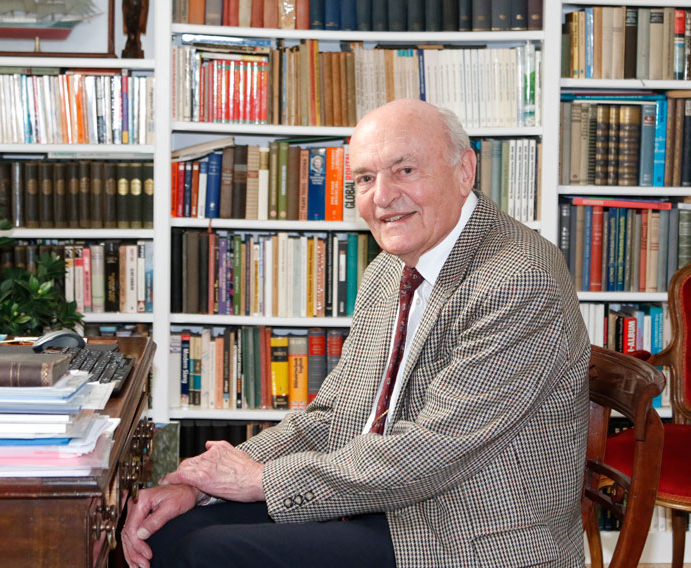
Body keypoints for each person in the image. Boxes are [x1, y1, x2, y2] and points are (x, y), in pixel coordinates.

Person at [122, 99, 591, 568]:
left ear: (464, 170)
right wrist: (201, 483)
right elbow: (332, 416)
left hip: (467, 533)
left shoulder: (520, 277)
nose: (382, 196)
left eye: (404, 170)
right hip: (383, 501)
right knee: (168, 531)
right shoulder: (389, 269)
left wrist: (260, 481)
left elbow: (434, 449)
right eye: (365, 178)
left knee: (202, 554)